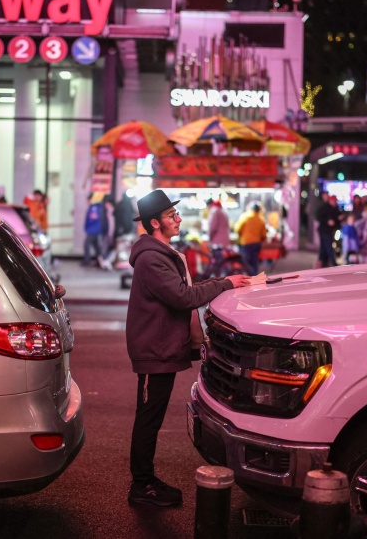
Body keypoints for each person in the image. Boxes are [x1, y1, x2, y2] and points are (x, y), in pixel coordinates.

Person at [126, 189, 249, 507]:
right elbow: (183, 296)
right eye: (171, 216)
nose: (178, 219)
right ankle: (142, 486)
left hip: (163, 348)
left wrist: (221, 281)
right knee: (148, 418)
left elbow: (184, 292)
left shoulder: (161, 253)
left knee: (151, 416)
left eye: (175, 214)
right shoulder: (152, 259)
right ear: (155, 223)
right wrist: (225, 283)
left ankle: (146, 481)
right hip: (155, 352)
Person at [234, 202, 267, 275]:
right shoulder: (261, 219)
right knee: (254, 261)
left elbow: (237, 229)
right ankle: (254, 277)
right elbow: (264, 234)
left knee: (245, 262)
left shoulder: (245, 217)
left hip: (246, 243)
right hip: (256, 243)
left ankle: (245, 277)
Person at [315, 194, 340, 267]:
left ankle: (321, 261)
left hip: (330, 231)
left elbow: (337, 219)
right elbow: (319, 217)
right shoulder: (324, 207)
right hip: (324, 230)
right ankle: (333, 262)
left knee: (324, 247)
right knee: (328, 246)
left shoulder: (335, 209)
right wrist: (327, 221)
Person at [83, 193, 105, 266]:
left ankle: (87, 261)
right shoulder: (97, 206)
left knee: (87, 245)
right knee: (96, 246)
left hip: (92, 230)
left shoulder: (94, 208)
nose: (88, 201)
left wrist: (87, 226)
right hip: (95, 229)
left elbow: (91, 219)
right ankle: (100, 260)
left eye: (88, 200)